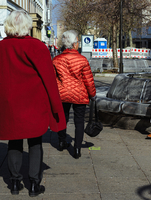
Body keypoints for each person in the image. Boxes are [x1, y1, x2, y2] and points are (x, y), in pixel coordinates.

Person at [0, 10, 66, 196]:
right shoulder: (37, 46)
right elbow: (49, 79)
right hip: (34, 104)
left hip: (10, 104)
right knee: (35, 142)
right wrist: (55, 106)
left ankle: (14, 182)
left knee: (14, 141)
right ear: (28, 25)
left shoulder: (1, 47)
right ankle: (34, 184)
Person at [53, 30, 96, 159]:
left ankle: (61, 141)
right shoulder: (82, 60)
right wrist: (92, 94)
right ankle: (77, 149)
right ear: (74, 44)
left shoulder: (56, 60)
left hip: (62, 94)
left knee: (62, 118)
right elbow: (88, 80)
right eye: (77, 41)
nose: (78, 43)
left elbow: (53, 79)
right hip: (79, 94)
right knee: (79, 121)